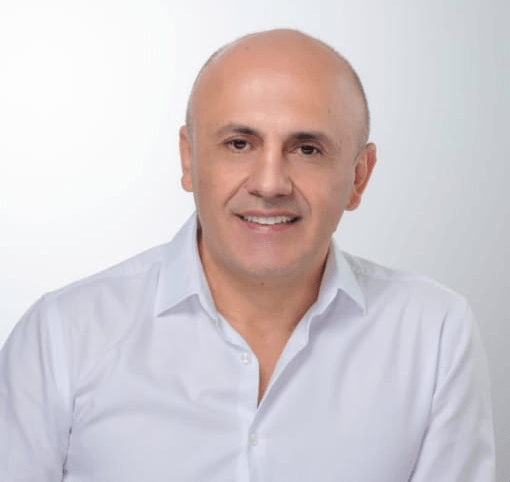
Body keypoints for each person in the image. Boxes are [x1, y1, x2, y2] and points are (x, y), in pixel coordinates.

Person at [0, 29, 495, 481]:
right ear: (189, 159)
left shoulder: (434, 334)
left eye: (307, 149)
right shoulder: (61, 336)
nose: (270, 183)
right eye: (239, 144)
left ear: (358, 177)